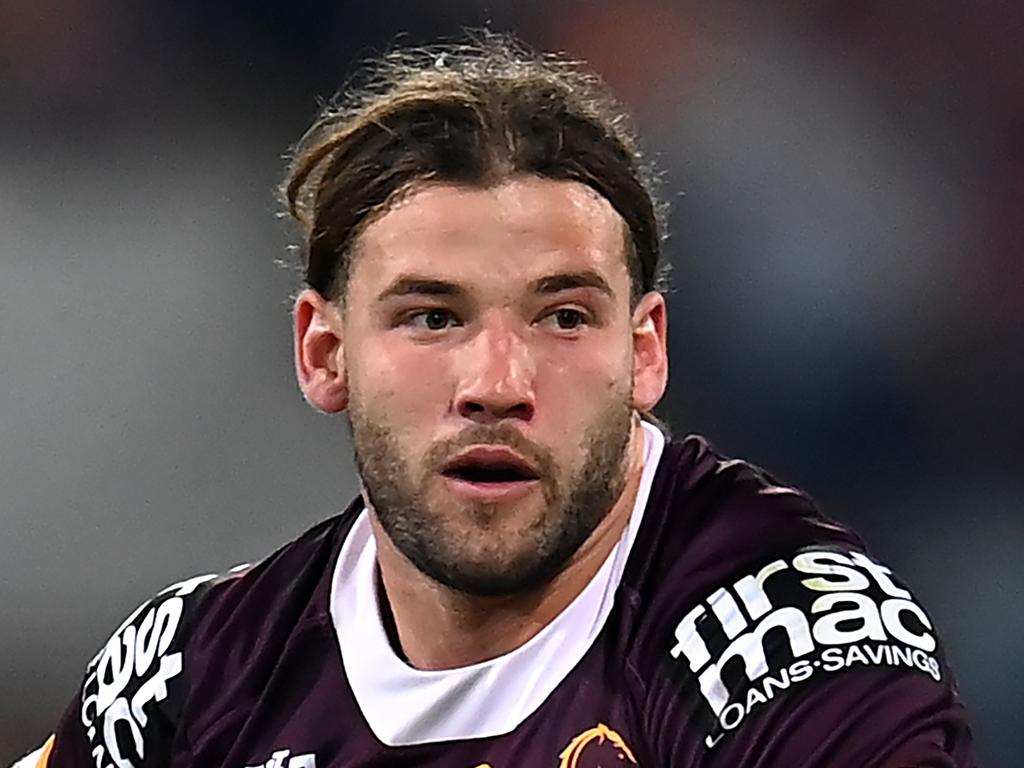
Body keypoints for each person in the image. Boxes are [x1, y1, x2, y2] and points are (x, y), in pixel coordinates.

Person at [15, 33, 975, 768]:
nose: (496, 386)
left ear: (645, 355)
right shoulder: (192, 677)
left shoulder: (794, 643)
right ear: (323, 352)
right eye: (432, 319)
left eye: (562, 318)